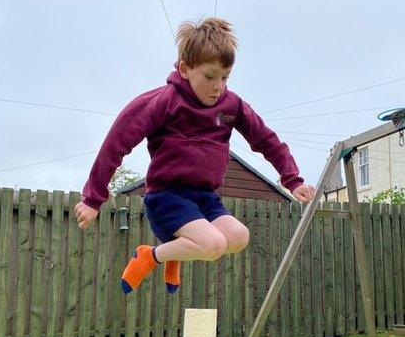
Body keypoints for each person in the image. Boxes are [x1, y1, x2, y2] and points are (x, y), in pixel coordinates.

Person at [74, 17, 315, 294]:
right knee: (213, 245)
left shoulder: (231, 105)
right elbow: (116, 143)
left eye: (225, 77)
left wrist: (293, 180)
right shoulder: (163, 102)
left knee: (238, 237)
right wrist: (93, 198)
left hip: (205, 198)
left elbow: (266, 140)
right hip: (167, 197)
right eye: (210, 77)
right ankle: (149, 255)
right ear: (185, 69)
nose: (218, 87)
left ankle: (173, 253)